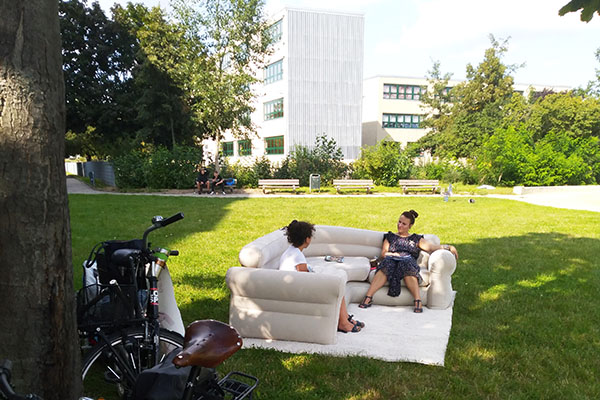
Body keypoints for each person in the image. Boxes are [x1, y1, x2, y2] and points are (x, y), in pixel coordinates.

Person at [358, 210, 458, 313]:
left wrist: (448, 247)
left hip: (407, 262)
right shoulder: (390, 237)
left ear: (410, 226)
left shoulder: (416, 239)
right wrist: (394, 254)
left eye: (404, 224)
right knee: (387, 264)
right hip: (391, 259)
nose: (399, 225)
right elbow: (383, 253)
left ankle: (417, 300)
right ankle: (368, 297)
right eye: (399, 222)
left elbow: (431, 247)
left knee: (406, 264)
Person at [279, 220, 364, 333]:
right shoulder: (297, 256)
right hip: (296, 291)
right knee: (338, 287)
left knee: (337, 284)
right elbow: (304, 279)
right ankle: (343, 323)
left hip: (291, 287)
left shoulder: (290, 252)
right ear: (307, 239)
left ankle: (346, 318)